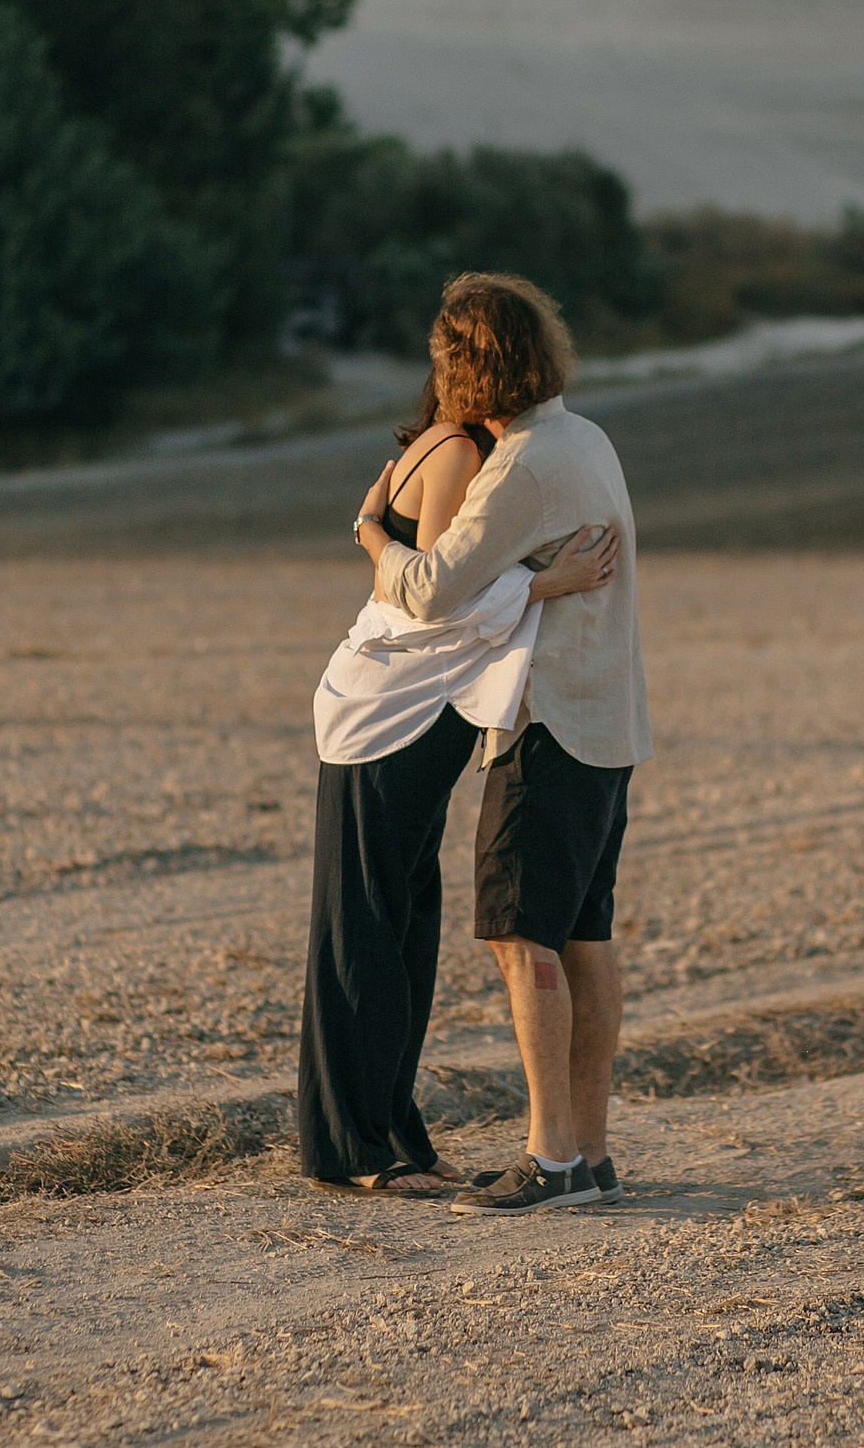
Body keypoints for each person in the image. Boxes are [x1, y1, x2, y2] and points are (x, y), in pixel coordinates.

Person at [353, 273, 651, 1216]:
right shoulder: (587, 436)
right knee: (584, 934)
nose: (438, 383)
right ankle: (592, 1156)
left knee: (521, 939)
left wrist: (370, 534)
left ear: (473, 365)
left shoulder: (519, 464)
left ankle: (550, 1159)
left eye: (446, 363)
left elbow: (434, 586)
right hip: (610, 721)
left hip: (547, 724)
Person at [298, 367, 622, 1195]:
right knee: (365, 930)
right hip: (387, 717)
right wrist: (549, 582)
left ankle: (397, 1137)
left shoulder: (485, 451)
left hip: (415, 716)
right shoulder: (455, 452)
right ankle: (352, 1152)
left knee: (406, 931)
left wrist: (374, 529)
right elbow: (433, 600)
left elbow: (440, 578)